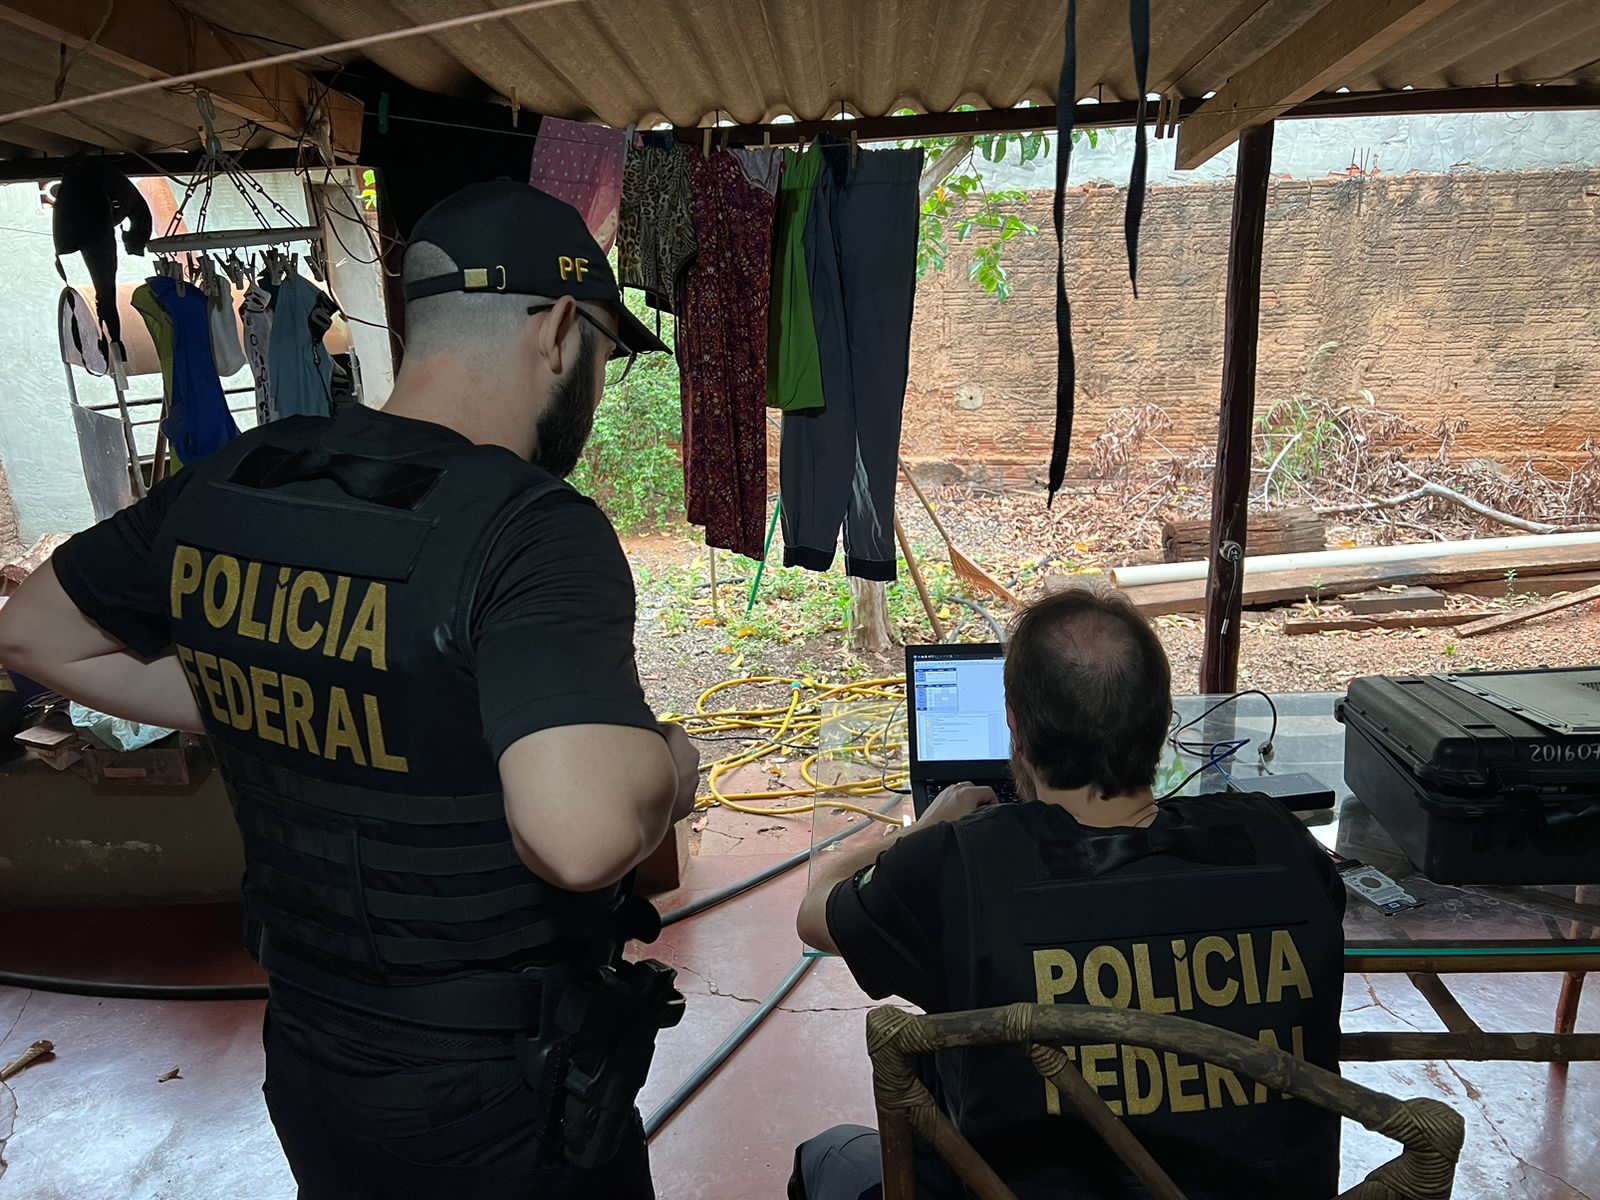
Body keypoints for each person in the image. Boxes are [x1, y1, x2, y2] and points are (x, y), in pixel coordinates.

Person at [0, 182, 699, 1200]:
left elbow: (33, 632)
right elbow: (581, 835)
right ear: (557, 331)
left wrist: (267, 690)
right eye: (601, 349)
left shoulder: (237, 475)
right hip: (496, 1093)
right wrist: (669, 769)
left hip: (314, 1064)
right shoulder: (528, 526)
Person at [793, 589, 1346, 1200]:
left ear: (1016, 731)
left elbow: (816, 910)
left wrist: (923, 830)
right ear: (1162, 726)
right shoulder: (1281, 841)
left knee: (827, 1157)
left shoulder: (953, 864)